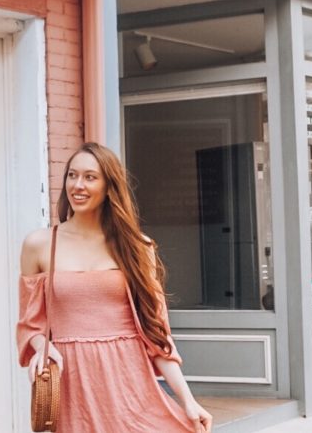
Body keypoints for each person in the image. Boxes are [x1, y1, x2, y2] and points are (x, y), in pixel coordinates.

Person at [17, 143, 213, 432]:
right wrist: (40, 346)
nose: (78, 185)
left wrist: (188, 400)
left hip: (129, 380)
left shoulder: (136, 247)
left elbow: (156, 333)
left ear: (110, 186)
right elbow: (29, 324)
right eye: (72, 175)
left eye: (90, 177)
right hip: (74, 381)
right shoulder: (39, 244)